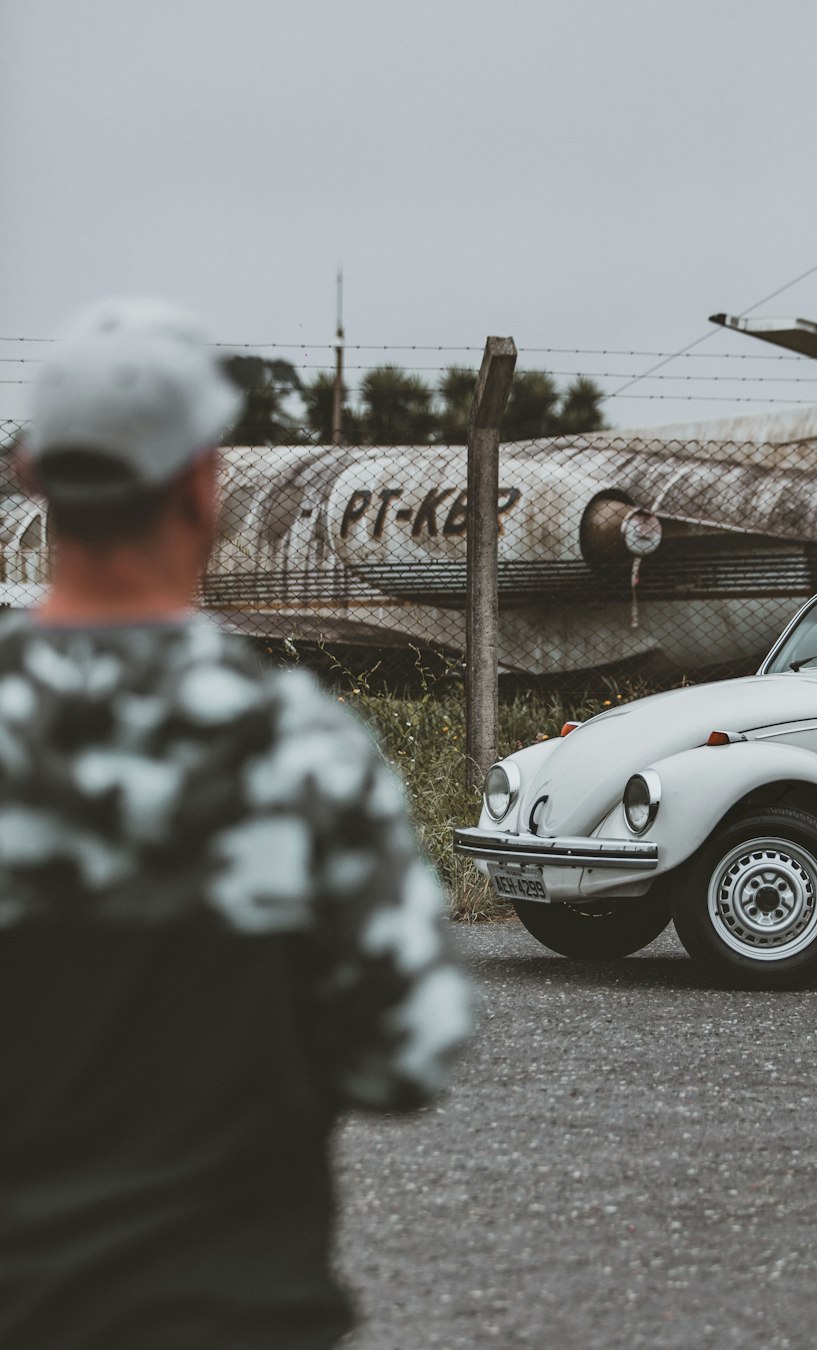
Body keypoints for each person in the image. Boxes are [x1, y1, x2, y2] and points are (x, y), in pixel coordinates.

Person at [0, 297, 471, 1350]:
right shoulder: (301, 751)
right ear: (206, 487)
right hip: (242, 1313)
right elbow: (411, 1047)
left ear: (33, 478)